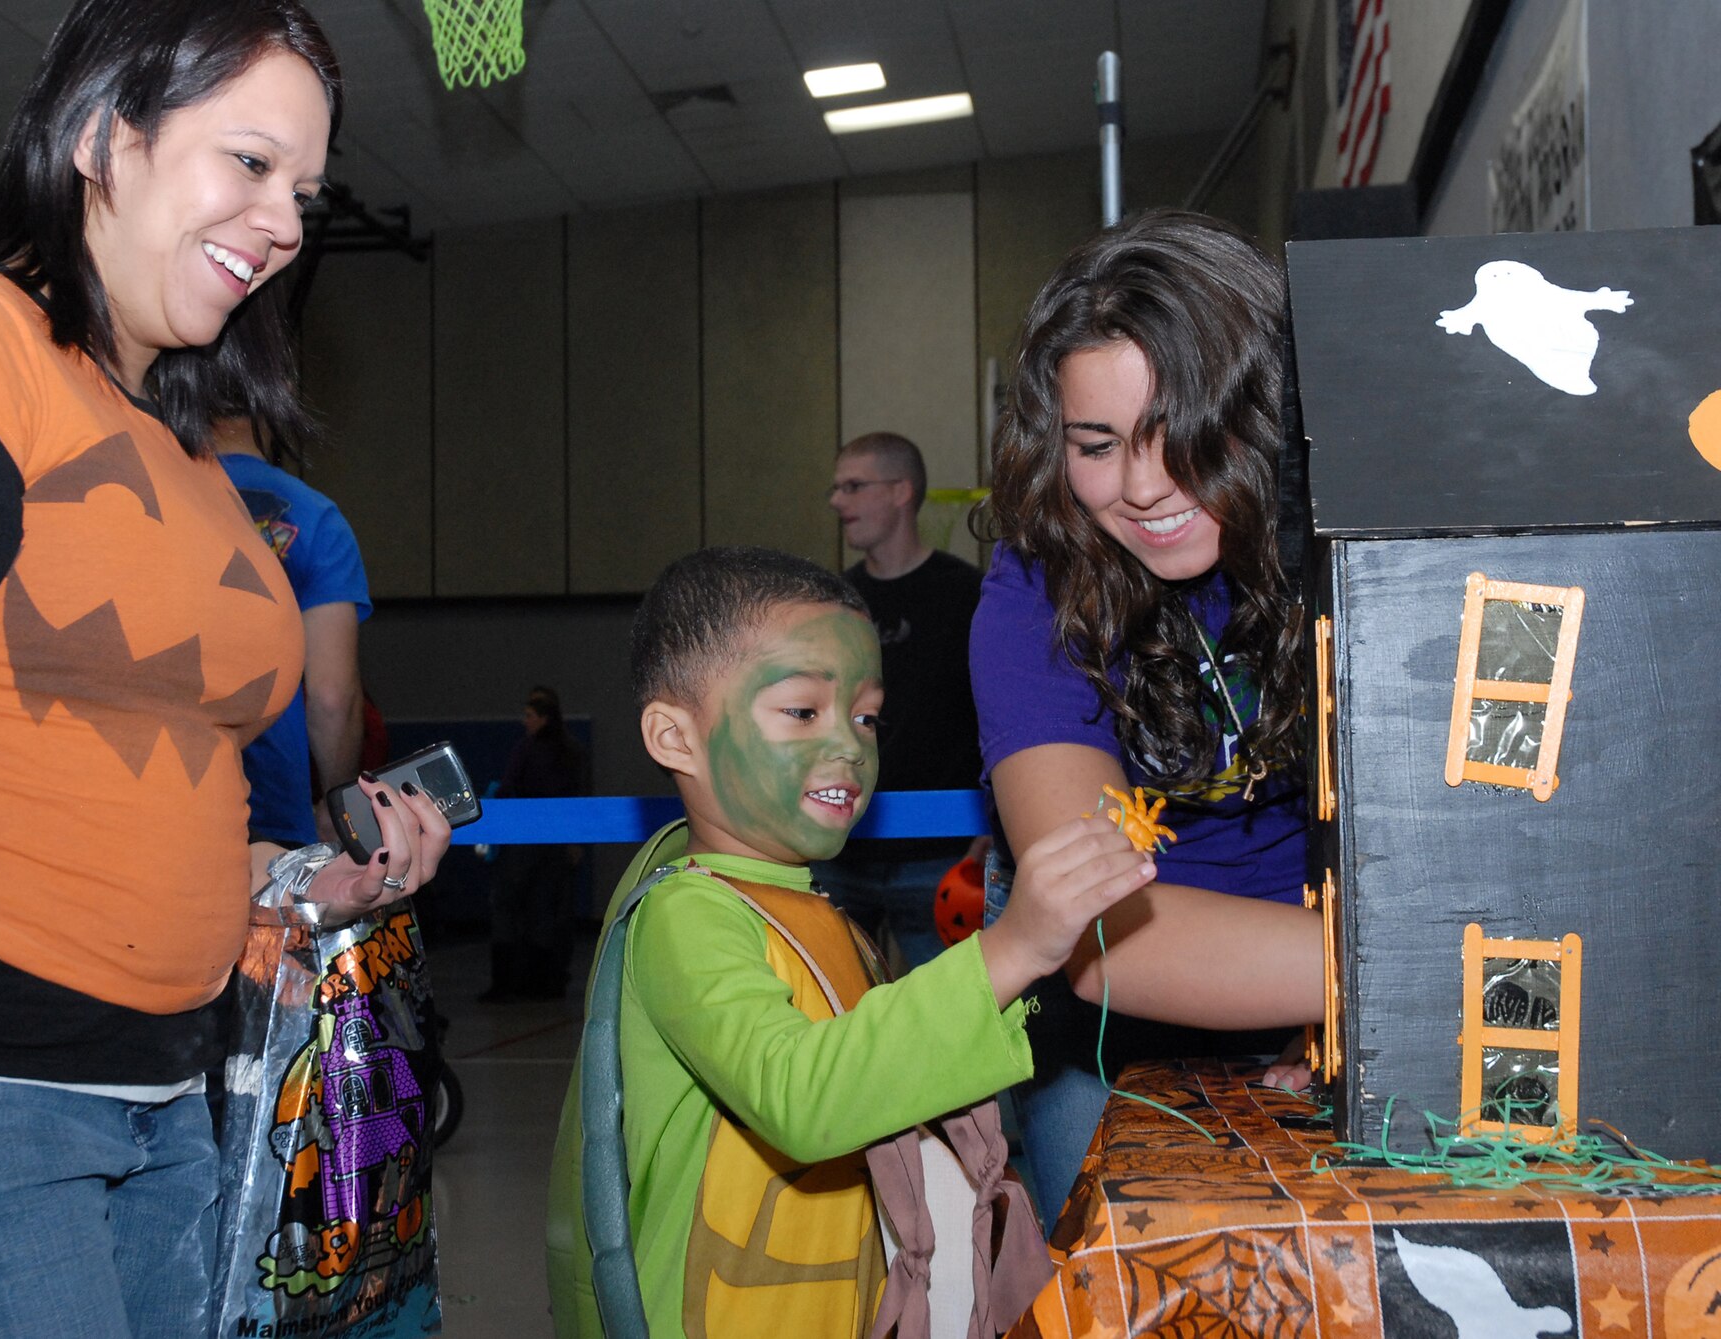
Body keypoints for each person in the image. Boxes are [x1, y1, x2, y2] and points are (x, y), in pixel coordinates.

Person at [0, 5, 449, 1337]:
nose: (286, 219)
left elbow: (123, 786)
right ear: (106, 140)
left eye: (306, 189)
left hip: (152, 1088)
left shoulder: (182, 447)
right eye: (248, 163)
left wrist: (290, 887)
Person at [550, 545, 1156, 1337]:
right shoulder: (687, 916)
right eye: (802, 711)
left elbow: (887, 1076)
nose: (850, 745)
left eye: (865, 715)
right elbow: (805, 1097)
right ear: (675, 736)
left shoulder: (809, 908)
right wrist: (1010, 948)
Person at [971, 210, 1322, 1217]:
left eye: (1174, 434)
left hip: (1331, 1006)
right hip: (1109, 1043)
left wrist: (1348, 1010)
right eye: (1096, 443)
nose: (1136, 487)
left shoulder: (1345, 544)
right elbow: (1107, 940)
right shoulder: (1031, 591)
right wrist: (1420, 968)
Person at [817, 432, 986, 971]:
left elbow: (998, 719)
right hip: (841, 848)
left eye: (853, 486)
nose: (837, 502)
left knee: (948, 1018)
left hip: (941, 852)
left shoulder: (968, 595)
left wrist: (992, 829)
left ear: (901, 493)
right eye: (836, 488)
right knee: (830, 1008)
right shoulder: (831, 601)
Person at [215, 417, 372, 845]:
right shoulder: (316, 518)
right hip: (271, 816)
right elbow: (331, 697)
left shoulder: (150, 494)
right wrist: (339, 806)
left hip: (152, 801)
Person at [484, 685, 588, 1001]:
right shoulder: (572, 751)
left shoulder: (526, 750)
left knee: (507, 907)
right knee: (547, 912)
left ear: (543, 718)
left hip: (525, 841)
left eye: (529, 715)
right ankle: (546, 982)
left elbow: (509, 788)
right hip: (556, 843)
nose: (524, 721)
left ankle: (507, 983)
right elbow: (578, 796)